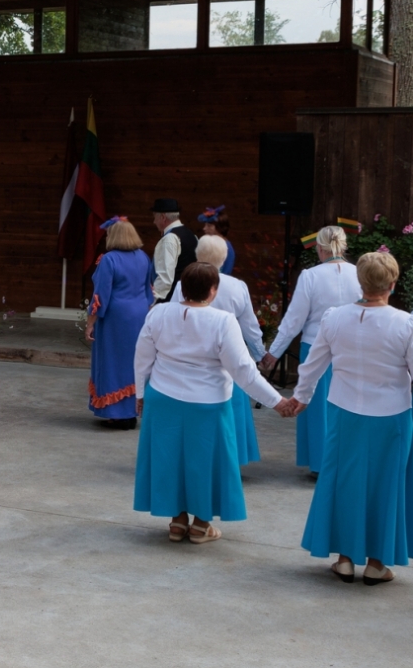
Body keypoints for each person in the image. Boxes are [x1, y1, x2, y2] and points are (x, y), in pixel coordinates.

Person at [284, 251, 413, 585]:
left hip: (344, 411)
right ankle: (377, 563)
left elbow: (313, 364)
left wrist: (302, 397)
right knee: (385, 484)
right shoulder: (405, 323)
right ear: (393, 284)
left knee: (343, 480)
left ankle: (345, 558)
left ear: (359, 283)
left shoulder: (334, 318)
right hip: (390, 415)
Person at [133, 262, 287, 543]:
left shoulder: (158, 313)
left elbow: (142, 357)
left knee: (170, 457)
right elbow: (244, 370)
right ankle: (201, 524)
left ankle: (177, 521)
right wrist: (277, 402)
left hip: (163, 397)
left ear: (182, 287)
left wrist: (140, 394)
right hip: (207, 402)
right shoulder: (222, 321)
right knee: (204, 461)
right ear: (213, 291)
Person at [261, 225, 361, 477]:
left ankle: (321, 463)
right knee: (350, 404)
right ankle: (347, 462)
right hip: (352, 346)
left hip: (317, 345)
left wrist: (274, 352)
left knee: (317, 405)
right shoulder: (359, 272)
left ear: (319, 247)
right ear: (344, 245)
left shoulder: (310, 275)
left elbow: (294, 319)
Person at [171, 235, 263, 466]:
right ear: (223, 258)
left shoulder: (184, 285)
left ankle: (195, 457)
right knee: (232, 410)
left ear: (198, 255)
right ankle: (231, 459)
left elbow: (174, 319)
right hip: (230, 359)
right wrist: (261, 354)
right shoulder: (237, 286)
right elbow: (250, 326)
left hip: (193, 357)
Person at [85, 216, 151, 429]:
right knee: (134, 362)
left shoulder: (109, 259)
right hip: (139, 315)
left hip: (116, 318)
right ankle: (132, 412)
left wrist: (90, 322)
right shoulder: (143, 257)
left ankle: (117, 414)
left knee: (113, 363)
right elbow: (149, 291)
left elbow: (100, 296)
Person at [150, 198, 198, 303]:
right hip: (186, 297)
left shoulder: (170, 239)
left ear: (163, 217)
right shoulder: (191, 235)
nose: (154, 222)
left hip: (170, 301)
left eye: (155, 217)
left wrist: (152, 302)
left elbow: (165, 278)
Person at [198, 206, 235, 275]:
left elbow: (225, 273)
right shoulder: (209, 244)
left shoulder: (227, 248)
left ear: (220, 227)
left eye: (209, 226)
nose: (204, 228)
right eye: (205, 225)